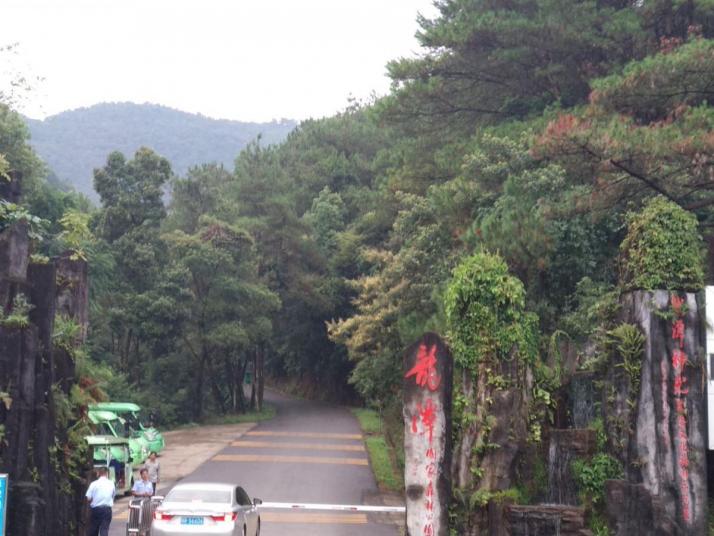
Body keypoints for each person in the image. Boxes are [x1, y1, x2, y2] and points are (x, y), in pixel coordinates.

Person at [85, 466, 115, 536]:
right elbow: (112, 496)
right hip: (107, 510)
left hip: (96, 510)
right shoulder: (111, 483)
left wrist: (94, 500)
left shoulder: (94, 484)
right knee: (104, 530)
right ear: (107, 473)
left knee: (94, 530)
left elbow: (88, 498)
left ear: (98, 473)